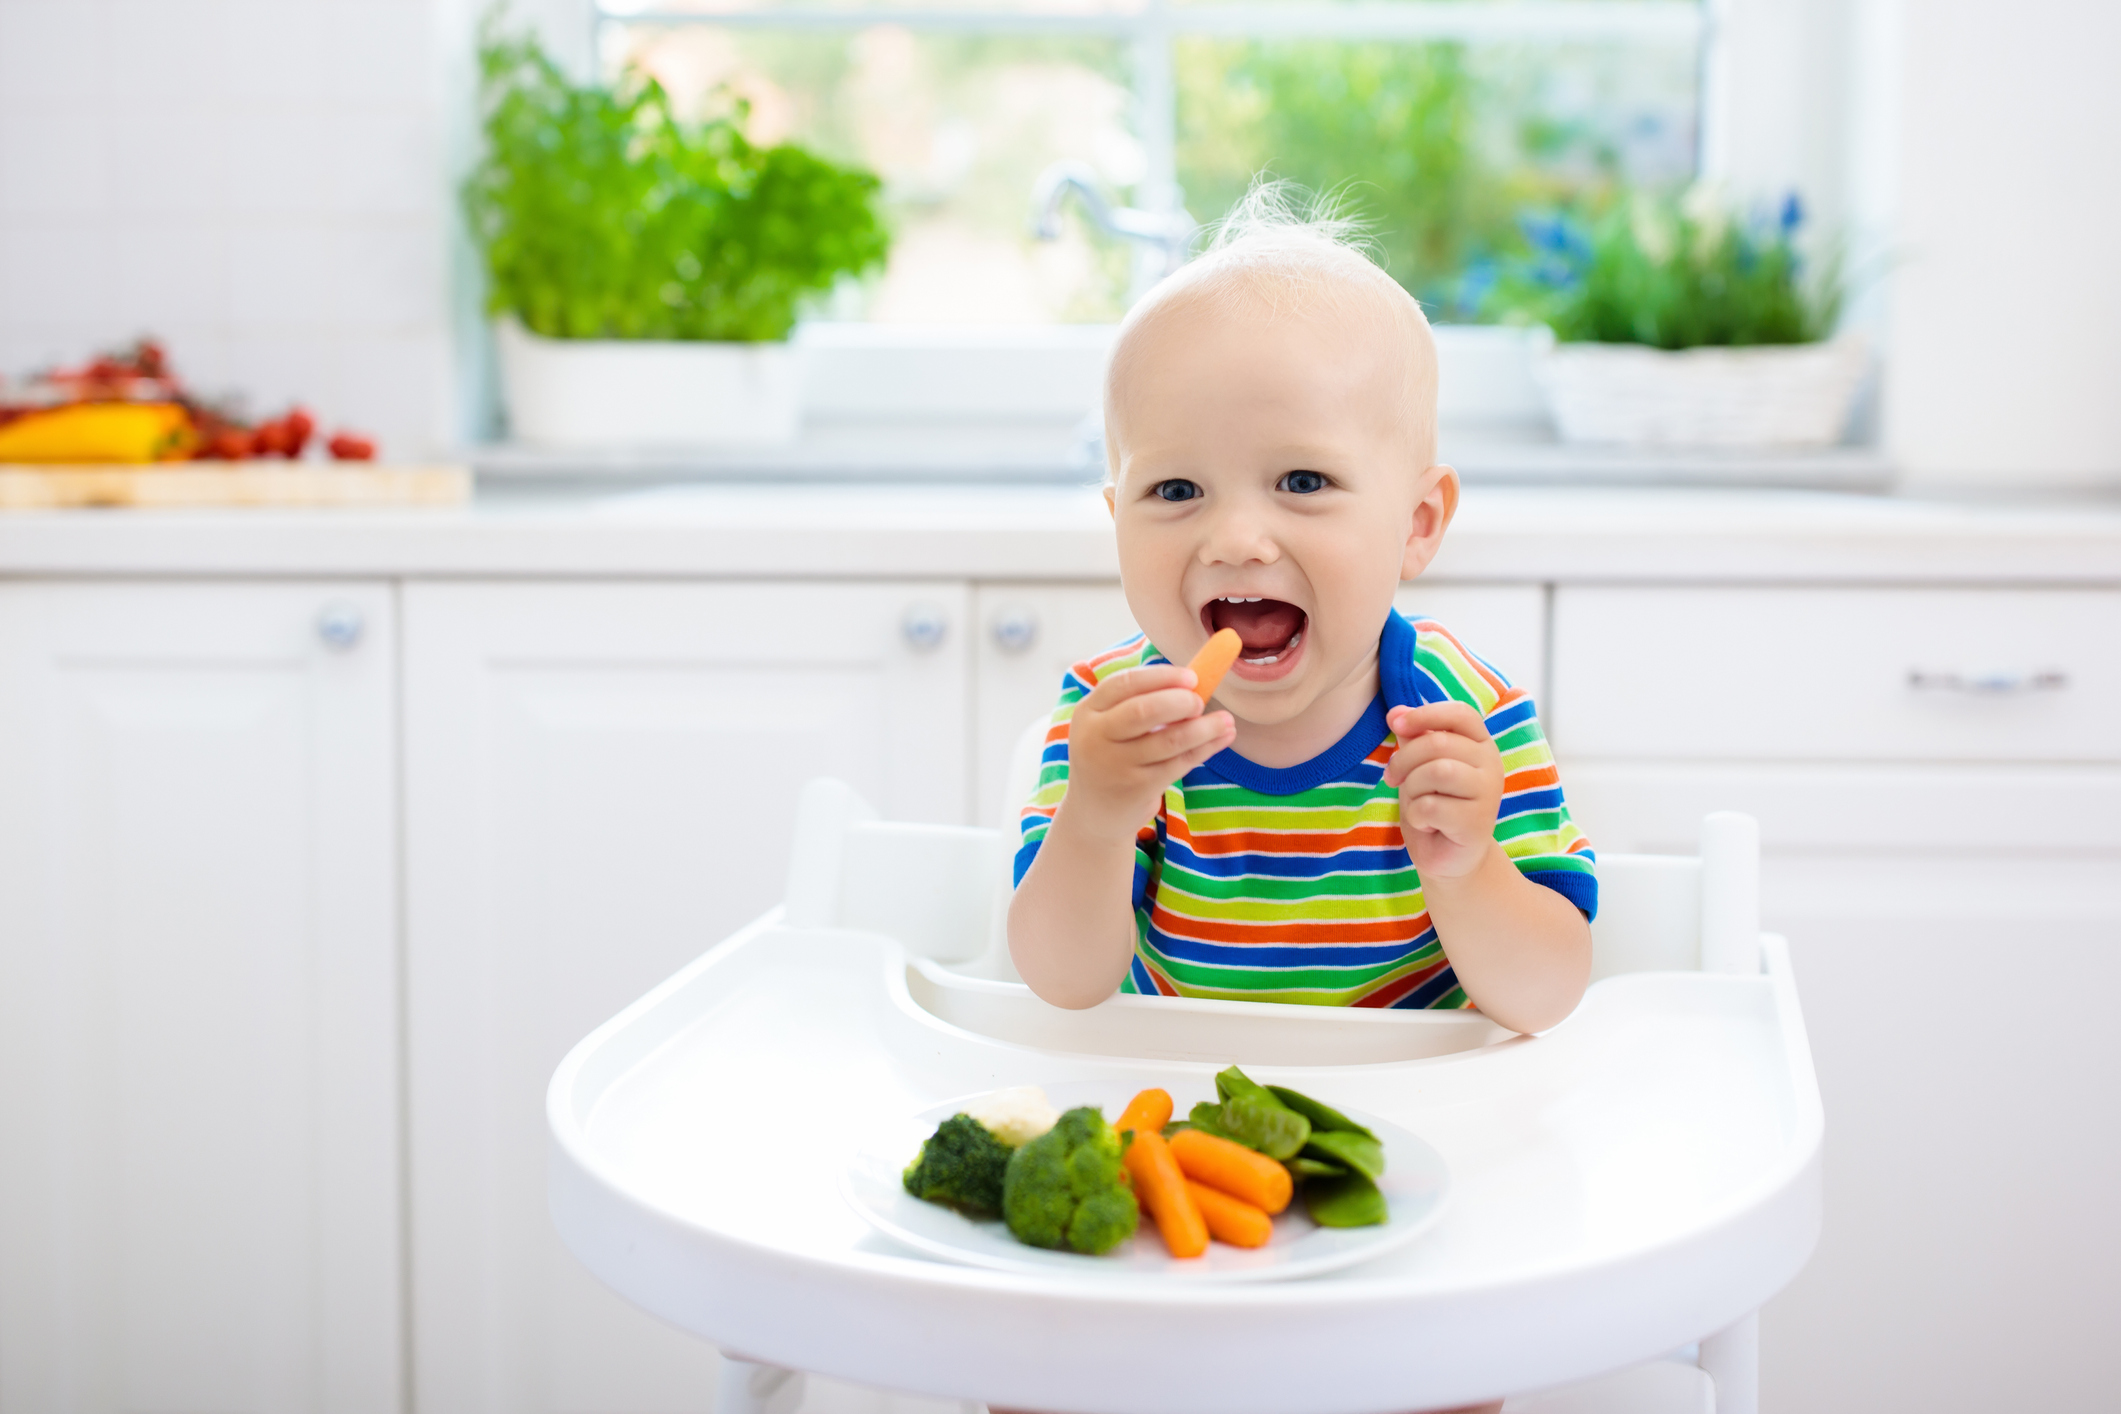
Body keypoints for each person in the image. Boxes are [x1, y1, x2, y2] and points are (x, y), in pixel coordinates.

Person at [1005, 196, 1596, 1411]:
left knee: (1449, 1376)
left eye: (1304, 480)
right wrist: (1100, 811)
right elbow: (1062, 978)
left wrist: (1468, 865)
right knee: (1026, 1372)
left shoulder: (1464, 721)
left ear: (1418, 521)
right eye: (1174, 490)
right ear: (1114, 518)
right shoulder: (1110, 719)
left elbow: (1546, 991)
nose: (1236, 536)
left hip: (1420, 1168)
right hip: (1175, 1157)